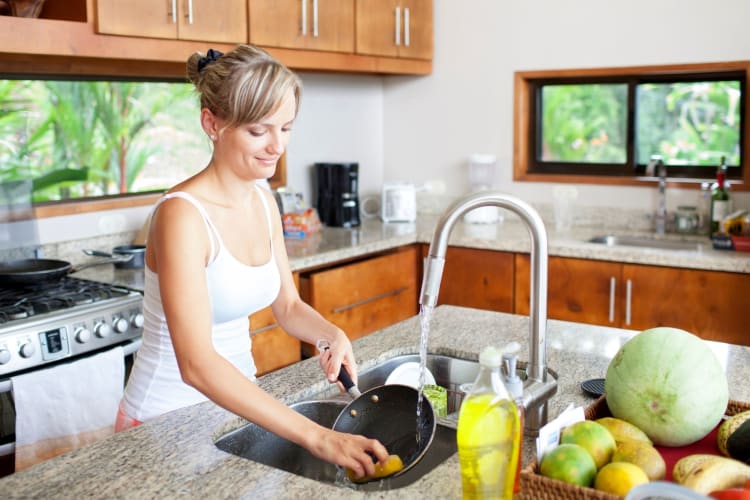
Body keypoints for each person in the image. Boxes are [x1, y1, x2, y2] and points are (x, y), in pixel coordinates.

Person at [116, 44, 388, 479]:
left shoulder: (264, 199)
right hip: (164, 424)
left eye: (286, 127)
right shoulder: (182, 216)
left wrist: (329, 333)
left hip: (239, 411)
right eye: (259, 131)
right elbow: (196, 364)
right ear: (213, 122)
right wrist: (317, 436)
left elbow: (288, 307)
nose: (276, 146)